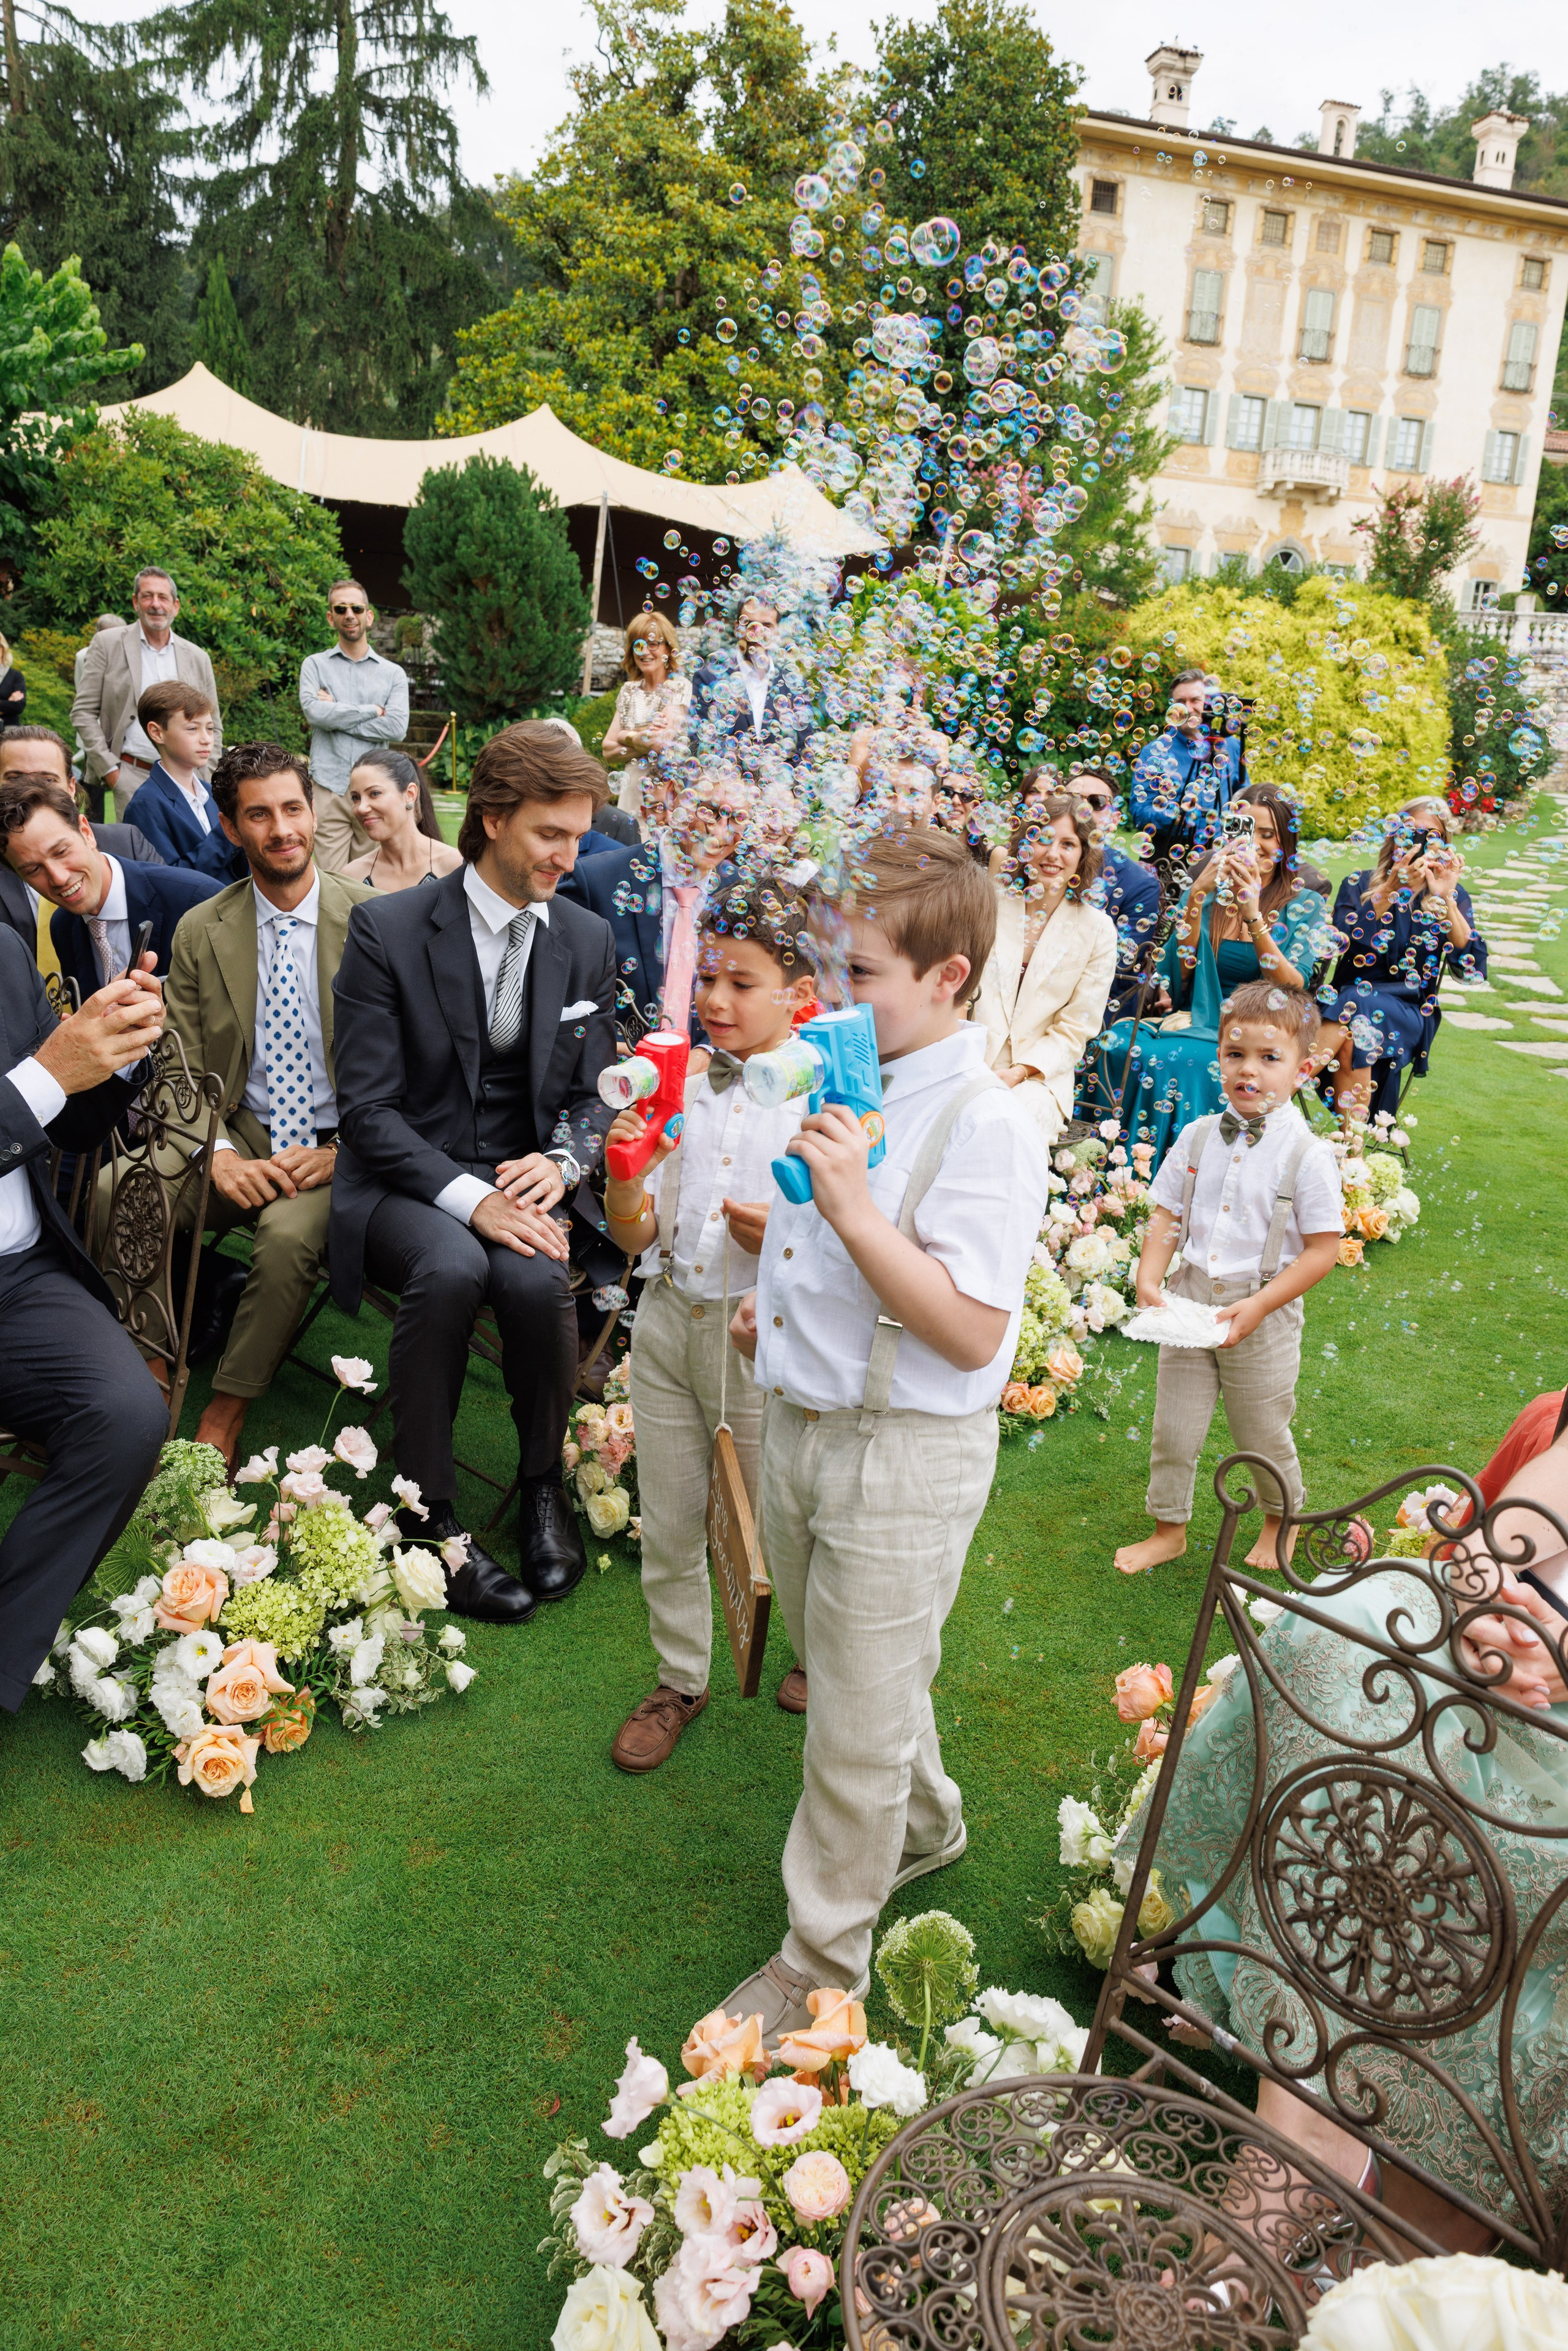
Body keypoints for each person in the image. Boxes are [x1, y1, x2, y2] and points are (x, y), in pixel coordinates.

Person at [720, 825, 1053, 2034]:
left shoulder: (987, 1121)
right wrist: (784, 1303)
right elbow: (828, 1250)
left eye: (857, 971)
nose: (831, 992)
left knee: (847, 1732)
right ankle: (924, 1824)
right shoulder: (846, 1073)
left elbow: (967, 1330)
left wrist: (853, 1215)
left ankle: (818, 1963)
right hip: (805, 1423)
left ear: (945, 979)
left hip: (898, 1451)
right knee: (852, 1666)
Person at [1121, 1416, 1568, 2259]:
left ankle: (1396, 2238)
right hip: (1485, 1689)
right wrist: (1483, 1613)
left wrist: (1558, 1653)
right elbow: (1484, 1539)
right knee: (1353, 1644)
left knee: (1506, 1875)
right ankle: (1305, 2140)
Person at [330, 721, 620, 1621]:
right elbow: (368, 1112)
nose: (569, 856)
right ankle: (430, 1521)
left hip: (521, 1173)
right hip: (402, 1176)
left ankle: (541, 1488)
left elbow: (598, 1091)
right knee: (452, 1267)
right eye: (550, 833)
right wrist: (474, 1199)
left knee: (536, 1285)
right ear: (491, 817)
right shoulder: (388, 929)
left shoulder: (586, 936)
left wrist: (564, 1159)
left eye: (578, 835)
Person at [604, 878, 816, 1771]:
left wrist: (791, 1237)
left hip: (762, 1335)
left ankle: (812, 1645)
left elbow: (858, 1238)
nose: (716, 1000)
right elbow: (636, 1231)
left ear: (799, 994)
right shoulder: (676, 1076)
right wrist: (627, 1171)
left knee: (781, 1510)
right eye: (709, 980)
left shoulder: (821, 1092)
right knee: (675, 1509)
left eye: (743, 983)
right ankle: (679, 1675)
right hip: (667, 1317)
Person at [161, 744, 372, 1472]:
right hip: (238, 1126)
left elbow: (421, 1068)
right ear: (230, 827)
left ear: (313, 813)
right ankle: (151, 1362)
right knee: (110, 1191)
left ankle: (226, 1409)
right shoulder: (200, 928)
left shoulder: (378, 922)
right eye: (259, 814)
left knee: (284, 1239)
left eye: (292, 808)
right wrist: (217, 1150)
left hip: (342, 1137)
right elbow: (177, 1063)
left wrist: (346, 1150)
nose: (281, 828)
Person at [1113, 980, 1343, 1580]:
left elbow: (1322, 1251)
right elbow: (1167, 1213)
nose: (1249, 1070)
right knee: (1174, 1426)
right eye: (1235, 1054)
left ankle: (1278, 1518)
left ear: (1303, 1068)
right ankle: (1169, 1528)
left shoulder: (1307, 1156)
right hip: (1190, 1300)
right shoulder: (1195, 1136)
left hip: (1261, 1311)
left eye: (1270, 1058)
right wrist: (1148, 1275)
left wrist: (1261, 1304)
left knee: (1261, 1429)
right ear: (1218, 1056)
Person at [0, 927, 170, 1710]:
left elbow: (61, 1124)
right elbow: (37, 1084)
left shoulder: (2, 948)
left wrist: (115, 1051)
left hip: (22, 1272)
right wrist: (45, 1074)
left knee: (128, 1414)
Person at [1089, 785, 1334, 1168]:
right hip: (1191, 1014)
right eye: (1244, 830)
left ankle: (1166, 1172)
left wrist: (1253, 913)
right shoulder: (1212, 892)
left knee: (1175, 1058)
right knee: (1116, 1042)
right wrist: (1197, 896)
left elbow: (1291, 984)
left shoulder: (1305, 902)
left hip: (1256, 1028)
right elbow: (1176, 970)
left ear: (1286, 840)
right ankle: (1105, 1166)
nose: (1254, 844)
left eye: (1267, 834)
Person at [1317, 796, 1487, 1126]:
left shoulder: (1451, 894)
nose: (1419, 841)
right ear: (1394, 836)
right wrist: (1389, 891)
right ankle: (1352, 1157)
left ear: (1444, 845)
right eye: (1409, 832)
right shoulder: (1358, 884)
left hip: (1410, 1011)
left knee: (1356, 1003)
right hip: (1342, 1011)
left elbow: (1473, 971)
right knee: (1356, 1015)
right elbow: (1340, 946)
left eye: (1431, 835)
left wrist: (1446, 899)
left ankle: (1283, 1089)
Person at [559, 766, 753, 1041]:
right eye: (709, 810)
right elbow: (561, 993)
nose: (720, 832)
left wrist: (706, 1051)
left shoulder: (740, 895)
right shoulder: (595, 881)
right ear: (674, 798)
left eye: (735, 818)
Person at [971, 792, 1117, 1148]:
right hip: (969, 1060)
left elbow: (1075, 1029)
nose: (1053, 854)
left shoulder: (1097, 929)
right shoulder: (986, 902)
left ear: (1083, 855)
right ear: (1025, 846)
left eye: (1068, 844)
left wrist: (1019, 1072)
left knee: (1013, 1126)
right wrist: (969, 1063)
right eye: (1043, 839)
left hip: (1038, 1079)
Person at [0, 777, 218, 1000]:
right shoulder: (62, 927)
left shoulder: (197, 900)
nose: (59, 878)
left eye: (61, 852)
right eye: (34, 870)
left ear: (86, 831)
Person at [0, 726, 167, 970]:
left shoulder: (126, 843)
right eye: (15, 779)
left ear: (71, 787)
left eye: (48, 780)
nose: (30, 792)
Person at [71, 568, 223, 821]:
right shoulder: (107, 644)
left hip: (189, 778)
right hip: (131, 776)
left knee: (193, 857)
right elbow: (83, 712)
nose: (156, 605)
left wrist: (206, 772)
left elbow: (214, 725)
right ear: (135, 602)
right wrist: (110, 769)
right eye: (148, 596)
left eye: (163, 598)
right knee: (138, 856)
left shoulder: (198, 657)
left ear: (175, 606)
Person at [298, 579, 410, 875]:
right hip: (328, 787)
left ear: (369, 616)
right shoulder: (314, 665)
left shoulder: (393, 674)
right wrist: (371, 711)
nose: (350, 614)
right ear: (330, 617)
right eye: (341, 608)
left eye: (357, 608)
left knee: (371, 877)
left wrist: (335, 712)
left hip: (375, 789)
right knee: (327, 879)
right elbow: (314, 713)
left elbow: (397, 727)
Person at [119, 682, 246, 883]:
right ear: (157, 733)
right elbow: (168, 881)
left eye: (210, 729)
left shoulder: (211, 792)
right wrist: (228, 829)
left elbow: (236, 869)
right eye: (193, 729)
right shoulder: (146, 806)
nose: (206, 739)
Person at [1062, 766, 1162, 1018]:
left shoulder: (1139, 884)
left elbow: (1121, 967)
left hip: (1096, 1009)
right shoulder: (1044, 865)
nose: (1082, 811)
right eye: (1073, 800)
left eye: (1096, 803)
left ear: (1115, 818)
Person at [1129, 668, 1245, 863]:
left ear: (1210, 703)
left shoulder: (1232, 745)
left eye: (1195, 700)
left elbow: (1244, 797)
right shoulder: (1155, 751)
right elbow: (1139, 812)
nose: (1188, 708)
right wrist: (1173, 815)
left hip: (1220, 853)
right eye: (1180, 702)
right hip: (1166, 854)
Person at [689, 594, 812, 768]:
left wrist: (786, 787)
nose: (758, 632)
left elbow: (805, 747)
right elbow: (699, 741)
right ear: (737, 627)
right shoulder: (709, 678)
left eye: (767, 626)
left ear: (777, 631)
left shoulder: (795, 685)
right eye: (750, 624)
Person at [600, 614, 692, 828]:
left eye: (653, 644)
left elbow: (661, 742)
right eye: (638, 645)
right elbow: (607, 750)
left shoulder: (678, 686)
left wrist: (624, 736)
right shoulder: (629, 690)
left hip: (662, 794)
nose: (645, 651)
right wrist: (641, 737)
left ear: (668, 649)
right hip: (630, 792)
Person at [342, 749, 462, 893]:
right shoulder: (352, 877)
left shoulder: (455, 866)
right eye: (356, 798)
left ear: (410, 794)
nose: (362, 808)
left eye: (375, 794)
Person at [74, 614, 126, 820]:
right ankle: (95, 830)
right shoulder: (84, 656)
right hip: (95, 728)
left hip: (121, 729)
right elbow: (84, 693)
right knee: (94, 783)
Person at [0, 630, 25, 730]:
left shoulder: (16, 676)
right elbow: (12, 706)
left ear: (3, 648)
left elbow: (19, 706)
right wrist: (8, 702)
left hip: (9, 730)